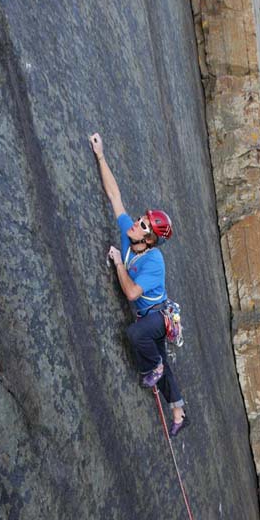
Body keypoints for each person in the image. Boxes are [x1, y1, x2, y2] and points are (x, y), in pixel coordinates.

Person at [89, 133, 188, 436]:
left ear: (149, 239)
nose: (136, 223)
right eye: (141, 219)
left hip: (159, 316)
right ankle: (180, 411)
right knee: (163, 363)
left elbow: (131, 292)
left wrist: (119, 263)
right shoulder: (130, 238)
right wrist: (101, 156)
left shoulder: (153, 260)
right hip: (149, 316)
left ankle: (153, 368)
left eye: (143, 225)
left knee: (136, 336)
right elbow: (114, 197)